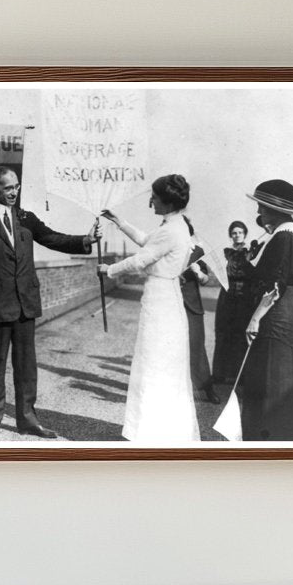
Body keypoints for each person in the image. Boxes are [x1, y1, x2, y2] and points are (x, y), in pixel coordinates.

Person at [0, 166, 100, 440]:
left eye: (16, 186)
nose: (14, 192)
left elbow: (53, 238)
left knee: (26, 366)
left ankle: (27, 419)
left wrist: (85, 240)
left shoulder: (27, 218)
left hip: (25, 303)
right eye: (7, 188)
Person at [98, 175, 199, 443]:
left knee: (155, 364)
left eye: (154, 197)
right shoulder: (174, 226)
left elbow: (141, 259)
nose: (150, 200)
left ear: (166, 201)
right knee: (160, 363)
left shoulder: (170, 230)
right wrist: (120, 222)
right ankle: (160, 431)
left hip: (161, 301)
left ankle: (151, 433)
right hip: (166, 297)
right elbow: (146, 240)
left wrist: (109, 269)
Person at [237, 179, 293, 441]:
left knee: (268, 381)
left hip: (275, 316)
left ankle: (265, 441)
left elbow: (273, 285)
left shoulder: (282, 238)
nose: (258, 213)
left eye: (262, 208)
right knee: (285, 381)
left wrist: (255, 318)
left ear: (274, 210)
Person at [211, 221, 258, 385]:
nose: (237, 235)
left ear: (245, 234)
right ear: (230, 235)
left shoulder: (251, 252)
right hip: (227, 295)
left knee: (240, 334)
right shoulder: (227, 252)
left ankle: (241, 376)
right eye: (234, 233)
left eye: (240, 232)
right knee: (223, 332)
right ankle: (219, 373)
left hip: (244, 297)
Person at [179, 218, 218, 404]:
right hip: (170, 303)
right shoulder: (166, 249)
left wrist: (198, 272)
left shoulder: (198, 252)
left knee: (196, 347)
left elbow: (205, 280)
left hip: (192, 305)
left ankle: (207, 389)